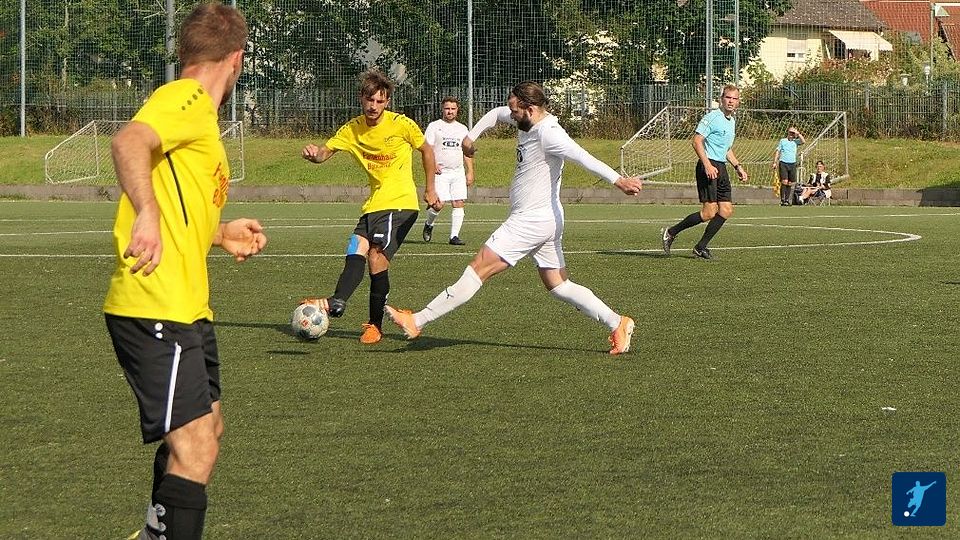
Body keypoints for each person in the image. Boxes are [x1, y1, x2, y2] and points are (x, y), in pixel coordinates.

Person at [103, 3, 267, 539]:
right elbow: (129, 140)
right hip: (155, 303)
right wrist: (145, 213)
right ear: (237, 58)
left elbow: (180, 196)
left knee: (207, 432)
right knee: (194, 448)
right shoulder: (187, 97)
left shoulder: (198, 116)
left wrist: (220, 232)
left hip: (187, 307)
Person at [385, 81, 644, 355]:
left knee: (478, 268)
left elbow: (583, 157)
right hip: (546, 220)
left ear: (530, 109)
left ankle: (418, 320)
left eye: (515, 110)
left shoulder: (549, 133)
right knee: (559, 285)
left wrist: (619, 181)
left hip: (529, 222)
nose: (511, 114)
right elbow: (496, 114)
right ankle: (617, 323)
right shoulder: (526, 119)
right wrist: (470, 137)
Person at [301, 69, 438, 345]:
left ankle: (373, 324)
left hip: (400, 203)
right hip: (374, 204)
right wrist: (314, 155)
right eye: (370, 100)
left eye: (379, 101)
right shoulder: (352, 129)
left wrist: (430, 188)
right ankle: (338, 301)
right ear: (361, 98)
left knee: (375, 257)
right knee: (356, 247)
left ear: (387, 102)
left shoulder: (402, 124)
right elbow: (325, 153)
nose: (374, 106)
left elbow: (426, 150)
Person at [661, 84, 748, 260]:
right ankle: (671, 232)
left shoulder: (731, 121)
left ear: (738, 101)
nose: (731, 101)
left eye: (734, 98)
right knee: (709, 212)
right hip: (708, 166)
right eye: (728, 97)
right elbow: (697, 141)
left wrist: (738, 166)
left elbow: (726, 149)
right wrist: (707, 164)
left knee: (726, 210)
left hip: (721, 167)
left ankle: (700, 247)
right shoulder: (712, 117)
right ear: (721, 99)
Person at [421, 97, 475, 245]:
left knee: (459, 202)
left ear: (457, 110)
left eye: (453, 109)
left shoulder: (462, 129)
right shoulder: (434, 126)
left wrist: (470, 171)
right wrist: (433, 164)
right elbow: (427, 149)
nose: (450, 111)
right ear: (442, 109)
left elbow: (467, 152)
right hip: (440, 173)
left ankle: (454, 237)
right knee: (438, 204)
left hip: (457, 172)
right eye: (447, 108)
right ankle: (429, 224)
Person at [773, 126, 805, 206]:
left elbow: (803, 141)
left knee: (790, 183)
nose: (791, 134)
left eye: (792, 133)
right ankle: (782, 200)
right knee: (784, 181)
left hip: (792, 163)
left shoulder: (795, 142)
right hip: (783, 163)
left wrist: (798, 133)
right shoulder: (783, 141)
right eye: (790, 133)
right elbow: (778, 151)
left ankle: (787, 200)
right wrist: (775, 162)